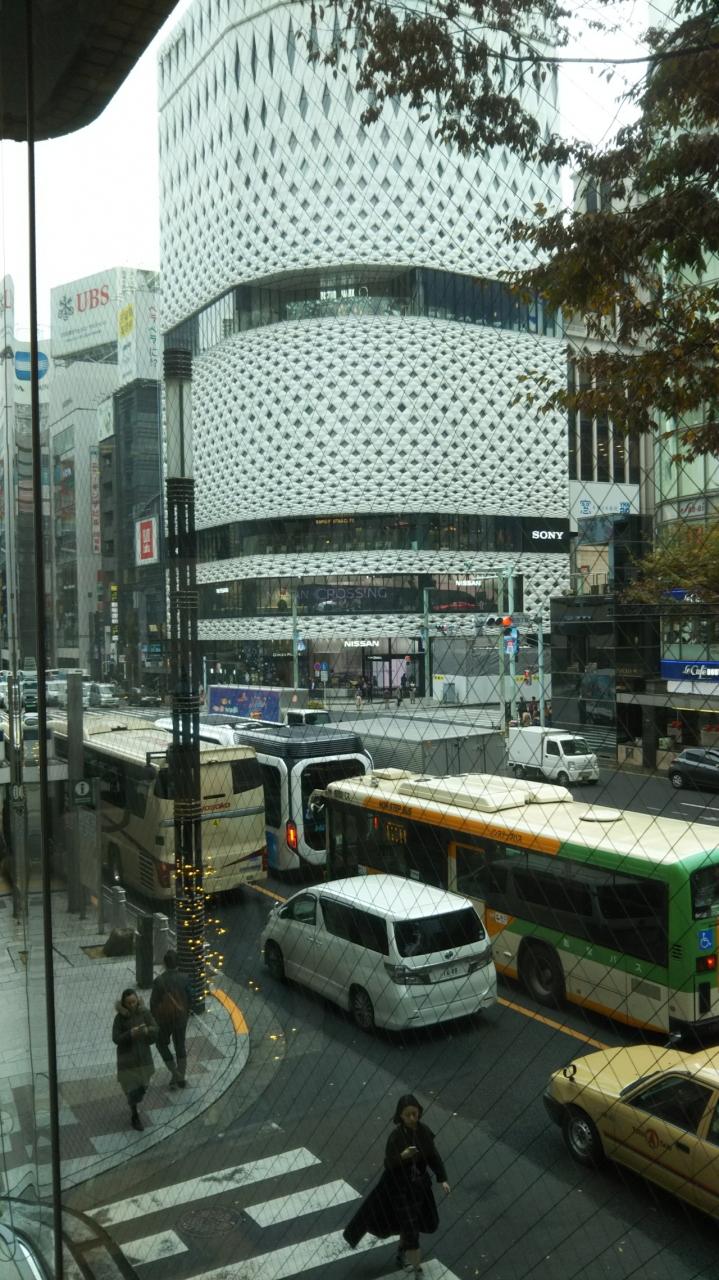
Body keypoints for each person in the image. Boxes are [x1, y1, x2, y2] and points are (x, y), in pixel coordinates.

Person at [343, 1093, 450, 1277]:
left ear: (419, 1112)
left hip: (420, 1188)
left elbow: (433, 1156)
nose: (412, 1118)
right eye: (407, 1114)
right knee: (410, 1228)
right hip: (399, 1189)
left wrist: (442, 1178)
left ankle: (402, 1252)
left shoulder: (424, 1131)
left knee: (412, 1225)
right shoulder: (396, 1136)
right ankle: (417, 1269)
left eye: (414, 1113)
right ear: (400, 1115)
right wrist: (403, 1156)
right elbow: (389, 1163)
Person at [112, 988, 157, 1131]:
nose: (132, 1005)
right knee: (131, 1088)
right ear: (124, 1004)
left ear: (137, 1000)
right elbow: (116, 1038)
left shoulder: (145, 1013)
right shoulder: (119, 1018)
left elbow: (155, 1028)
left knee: (144, 1084)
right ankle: (134, 1114)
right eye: (129, 1003)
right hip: (127, 1059)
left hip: (143, 1057)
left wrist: (147, 1031)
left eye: (134, 1001)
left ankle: (134, 1102)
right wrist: (130, 1034)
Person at [150, 950, 192, 1089]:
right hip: (180, 1018)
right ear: (178, 963)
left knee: (161, 1044)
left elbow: (153, 1003)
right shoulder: (185, 978)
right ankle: (181, 1075)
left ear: (164, 963)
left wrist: (155, 1018)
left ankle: (174, 1072)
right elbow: (191, 998)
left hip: (164, 1020)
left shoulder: (159, 981)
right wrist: (186, 1012)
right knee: (180, 1045)